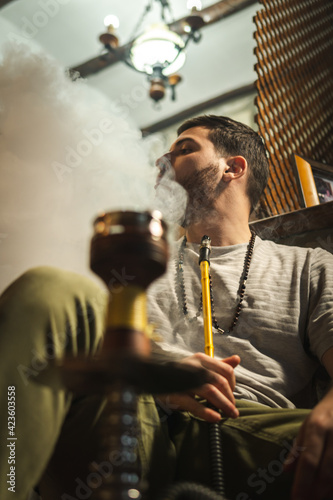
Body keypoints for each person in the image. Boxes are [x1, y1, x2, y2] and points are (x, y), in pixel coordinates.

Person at [0, 115, 332, 500]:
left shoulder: (309, 266)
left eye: (184, 149)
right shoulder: (130, 262)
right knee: (48, 287)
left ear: (233, 167)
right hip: (133, 418)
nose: (162, 162)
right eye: (162, 154)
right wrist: (159, 379)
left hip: (249, 431)